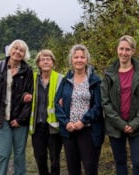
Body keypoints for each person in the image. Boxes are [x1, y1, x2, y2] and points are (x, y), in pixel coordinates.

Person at [101, 35, 139, 175]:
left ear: (133, 51)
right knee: (120, 162)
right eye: (121, 49)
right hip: (115, 126)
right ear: (117, 49)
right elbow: (105, 101)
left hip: (138, 125)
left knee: (138, 162)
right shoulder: (109, 73)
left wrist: (135, 123)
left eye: (127, 49)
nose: (124, 53)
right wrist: (120, 124)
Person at [54, 44, 104, 175]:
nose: (79, 60)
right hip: (69, 131)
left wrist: (82, 121)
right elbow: (57, 104)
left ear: (87, 60)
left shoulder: (94, 81)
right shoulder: (66, 80)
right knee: (73, 169)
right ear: (72, 60)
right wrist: (66, 123)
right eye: (76, 57)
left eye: (82, 57)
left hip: (88, 130)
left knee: (90, 169)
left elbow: (98, 106)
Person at [0, 39, 33, 175]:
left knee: (19, 154)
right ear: (10, 50)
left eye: (21, 50)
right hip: (2, 118)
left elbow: (29, 98)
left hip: (20, 121)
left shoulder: (27, 71)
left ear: (24, 55)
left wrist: (20, 119)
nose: (18, 52)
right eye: (15, 48)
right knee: (3, 153)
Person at [23, 49, 64, 175]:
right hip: (37, 126)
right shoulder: (32, 78)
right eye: (43, 59)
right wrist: (25, 95)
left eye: (48, 59)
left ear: (53, 62)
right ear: (38, 63)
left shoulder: (60, 79)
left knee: (55, 160)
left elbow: (68, 96)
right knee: (40, 158)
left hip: (54, 127)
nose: (46, 61)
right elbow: (23, 92)